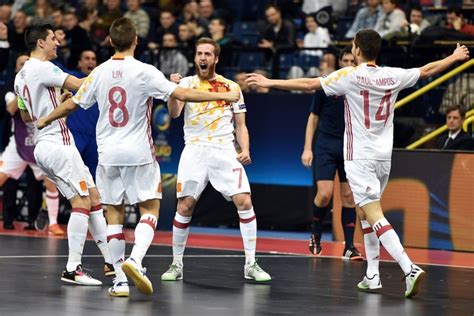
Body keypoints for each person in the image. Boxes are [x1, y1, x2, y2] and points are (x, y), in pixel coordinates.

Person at [246, 29, 469, 298]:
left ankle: (408, 267)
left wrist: (270, 82)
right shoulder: (393, 74)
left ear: (358, 51)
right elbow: (427, 70)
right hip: (384, 157)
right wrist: (454, 57)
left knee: (373, 213)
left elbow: (308, 85)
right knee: (365, 213)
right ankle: (372, 275)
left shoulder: (349, 76)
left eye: (352, 47)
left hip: (359, 157)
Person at [36, 18, 240, 297]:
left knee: (114, 215)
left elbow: (73, 104)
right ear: (135, 41)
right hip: (138, 153)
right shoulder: (145, 71)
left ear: (110, 42)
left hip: (107, 154)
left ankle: (120, 281)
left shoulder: (99, 72)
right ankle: (136, 260)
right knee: (150, 209)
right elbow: (183, 93)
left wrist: (46, 118)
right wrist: (226, 95)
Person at [160, 37, 271, 283]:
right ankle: (176, 264)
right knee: (184, 206)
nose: (202, 58)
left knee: (244, 201)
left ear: (216, 58)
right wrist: (171, 91)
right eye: (199, 53)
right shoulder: (186, 84)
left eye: (208, 54)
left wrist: (246, 149)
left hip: (223, 150)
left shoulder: (231, 87)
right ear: (195, 57)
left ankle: (250, 263)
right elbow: (174, 113)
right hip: (195, 150)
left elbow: (241, 125)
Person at [14, 24, 111, 286]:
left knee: (92, 197)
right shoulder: (44, 68)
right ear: (40, 43)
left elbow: (26, 116)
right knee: (81, 202)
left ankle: (112, 262)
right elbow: (81, 83)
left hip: (46, 145)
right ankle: (73, 268)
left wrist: (58, 103)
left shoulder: (20, 76)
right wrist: (110, 68)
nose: (57, 43)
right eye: (53, 39)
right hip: (58, 144)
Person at [301, 47, 363, 260]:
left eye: (352, 61)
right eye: (345, 60)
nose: (348, 64)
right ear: (339, 62)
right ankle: (316, 235)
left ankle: (349, 246)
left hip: (350, 147)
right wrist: (307, 148)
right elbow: (312, 117)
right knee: (325, 194)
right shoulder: (327, 83)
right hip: (325, 146)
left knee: (348, 196)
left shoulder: (361, 85)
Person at [1, 53, 62, 235]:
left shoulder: (41, 90)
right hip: (17, 144)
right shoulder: (12, 92)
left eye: (28, 62)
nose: (25, 65)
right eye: (21, 63)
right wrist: (23, 91)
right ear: (17, 69)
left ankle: (53, 223)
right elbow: (12, 108)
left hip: (38, 142)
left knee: (51, 182)